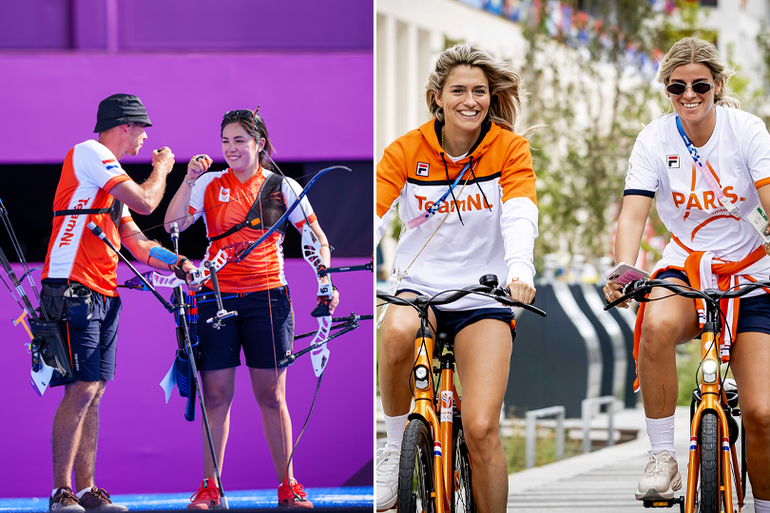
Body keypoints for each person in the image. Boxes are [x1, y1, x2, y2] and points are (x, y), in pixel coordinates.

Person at [604, 37, 770, 511]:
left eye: (700, 84)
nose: (689, 94)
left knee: (761, 414)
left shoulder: (747, 130)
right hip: (687, 265)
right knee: (653, 327)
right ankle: (661, 458)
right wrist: (624, 268)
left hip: (749, 270)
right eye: (677, 86)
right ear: (667, 90)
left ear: (717, 85)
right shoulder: (654, 138)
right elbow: (634, 213)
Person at [376, 44, 538, 513]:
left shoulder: (509, 149)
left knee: (482, 428)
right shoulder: (406, 150)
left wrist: (520, 269)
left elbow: (521, 215)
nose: (471, 100)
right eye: (459, 91)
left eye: (480, 91)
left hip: (484, 293)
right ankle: (393, 447)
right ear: (437, 98)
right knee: (398, 330)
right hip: (419, 287)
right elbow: (377, 215)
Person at [164, 109, 339, 510]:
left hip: (268, 300)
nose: (230, 148)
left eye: (240, 140)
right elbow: (173, 225)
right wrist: (188, 180)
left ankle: (288, 486)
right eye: (225, 140)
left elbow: (316, 238)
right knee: (216, 395)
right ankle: (210, 488)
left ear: (260, 143)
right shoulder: (208, 183)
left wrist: (325, 282)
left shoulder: (282, 186)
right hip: (215, 298)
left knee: (272, 395)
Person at [42, 93, 195, 512]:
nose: (147, 138)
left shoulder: (106, 182)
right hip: (73, 288)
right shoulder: (90, 153)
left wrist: (178, 261)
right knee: (83, 388)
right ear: (125, 126)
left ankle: (88, 491)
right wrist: (163, 170)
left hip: (102, 293)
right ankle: (61, 493)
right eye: (143, 129)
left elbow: (137, 240)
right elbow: (147, 202)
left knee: (95, 391)